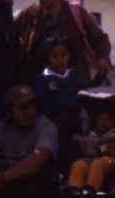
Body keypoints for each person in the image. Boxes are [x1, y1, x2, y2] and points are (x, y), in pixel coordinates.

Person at [14, 0, 112, 85]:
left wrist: (102, 58)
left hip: (71, 86)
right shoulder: (29, 14)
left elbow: (101, 39)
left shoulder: (76, 14)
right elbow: (10, 34)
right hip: (37, 89)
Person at [32, 35, 101, 180]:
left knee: (75, 161)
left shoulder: (73, 77)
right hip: (53, 127)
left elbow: (87, 92)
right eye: (54, 56)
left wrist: (100, 76)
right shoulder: (42, 80)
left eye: (63, 55)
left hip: (75, 126)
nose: (59, 60)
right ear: (47, 57)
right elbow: (39, 103)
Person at [0, 84, 58, 196]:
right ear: (8, 112)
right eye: (22, 107)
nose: (29, 112)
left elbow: (41, 155)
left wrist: (4, 178)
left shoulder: (45, 127)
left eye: (31, 106)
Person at [66, 105, 115, 195]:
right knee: (78, 164)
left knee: (98, 163)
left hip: (110, 159)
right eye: (101, 119)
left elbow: (109, 149)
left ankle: (91, 189)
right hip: (91, 158)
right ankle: (75, 189)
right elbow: (87, 146)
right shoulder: (92, 132)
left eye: (108, 119)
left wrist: (100, 144)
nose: (104, 123)